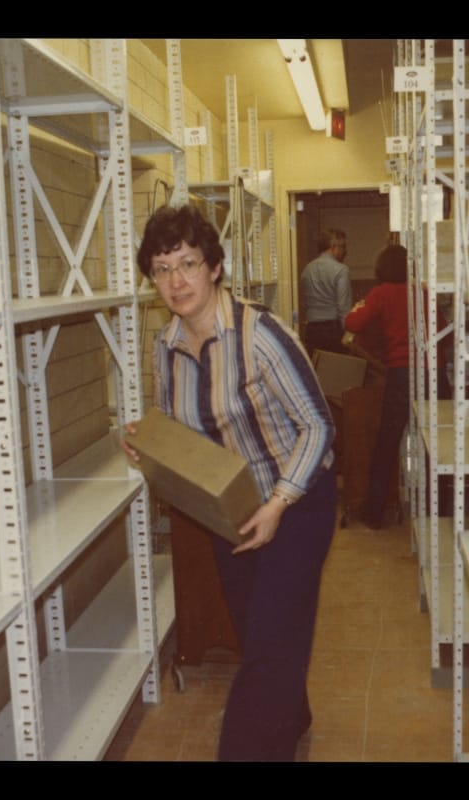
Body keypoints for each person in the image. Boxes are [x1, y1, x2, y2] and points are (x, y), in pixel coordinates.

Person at [122, 203, 338, 761]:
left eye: (188, 264)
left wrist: (279, 504)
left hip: (297, 502)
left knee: (267, 648)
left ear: (214, 267)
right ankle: (292, 715)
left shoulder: (259, 334)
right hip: (233, 508)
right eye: (162, 269)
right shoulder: (166, 345)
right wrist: (149, 442)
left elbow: (319, 425)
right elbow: (179, 427)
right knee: (259, 633)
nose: (176, 281)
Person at [343, 243, 411, 529]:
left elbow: (352, 323)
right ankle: (441, 511)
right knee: (439, 445)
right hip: (432, 373)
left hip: (401, 374)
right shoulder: (421, 292)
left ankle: (373, 515)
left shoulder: (382, 293)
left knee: (386, 444)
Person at [300, 228, 352, 357]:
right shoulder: (341, 270)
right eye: (343, 246)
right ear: (333, 247)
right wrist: (348, 335)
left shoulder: (307, 269)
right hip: (333, 330)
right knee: (336, 368)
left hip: (311, 330)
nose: (345, 251)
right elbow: (343, 308)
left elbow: (305, 302)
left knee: (316, 367)